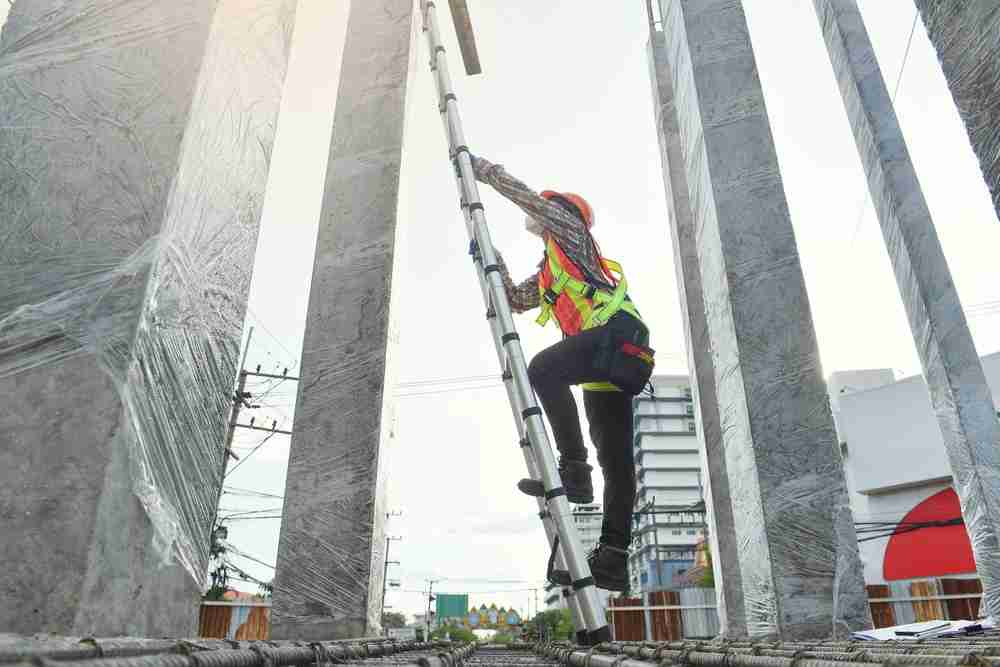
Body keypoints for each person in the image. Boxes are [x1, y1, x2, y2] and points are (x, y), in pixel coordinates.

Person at [471, 155, 655, 591]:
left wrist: (485, 170)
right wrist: (489, 254)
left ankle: (574, 470)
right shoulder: (550, 271)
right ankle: (612, 556)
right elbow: (516, 299)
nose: (540, 224)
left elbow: (528, 201)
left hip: (618, 337)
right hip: (602, 357)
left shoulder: (574, 234)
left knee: (544, 368)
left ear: (567, 215)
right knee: (617, 463)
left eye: (548, 215)